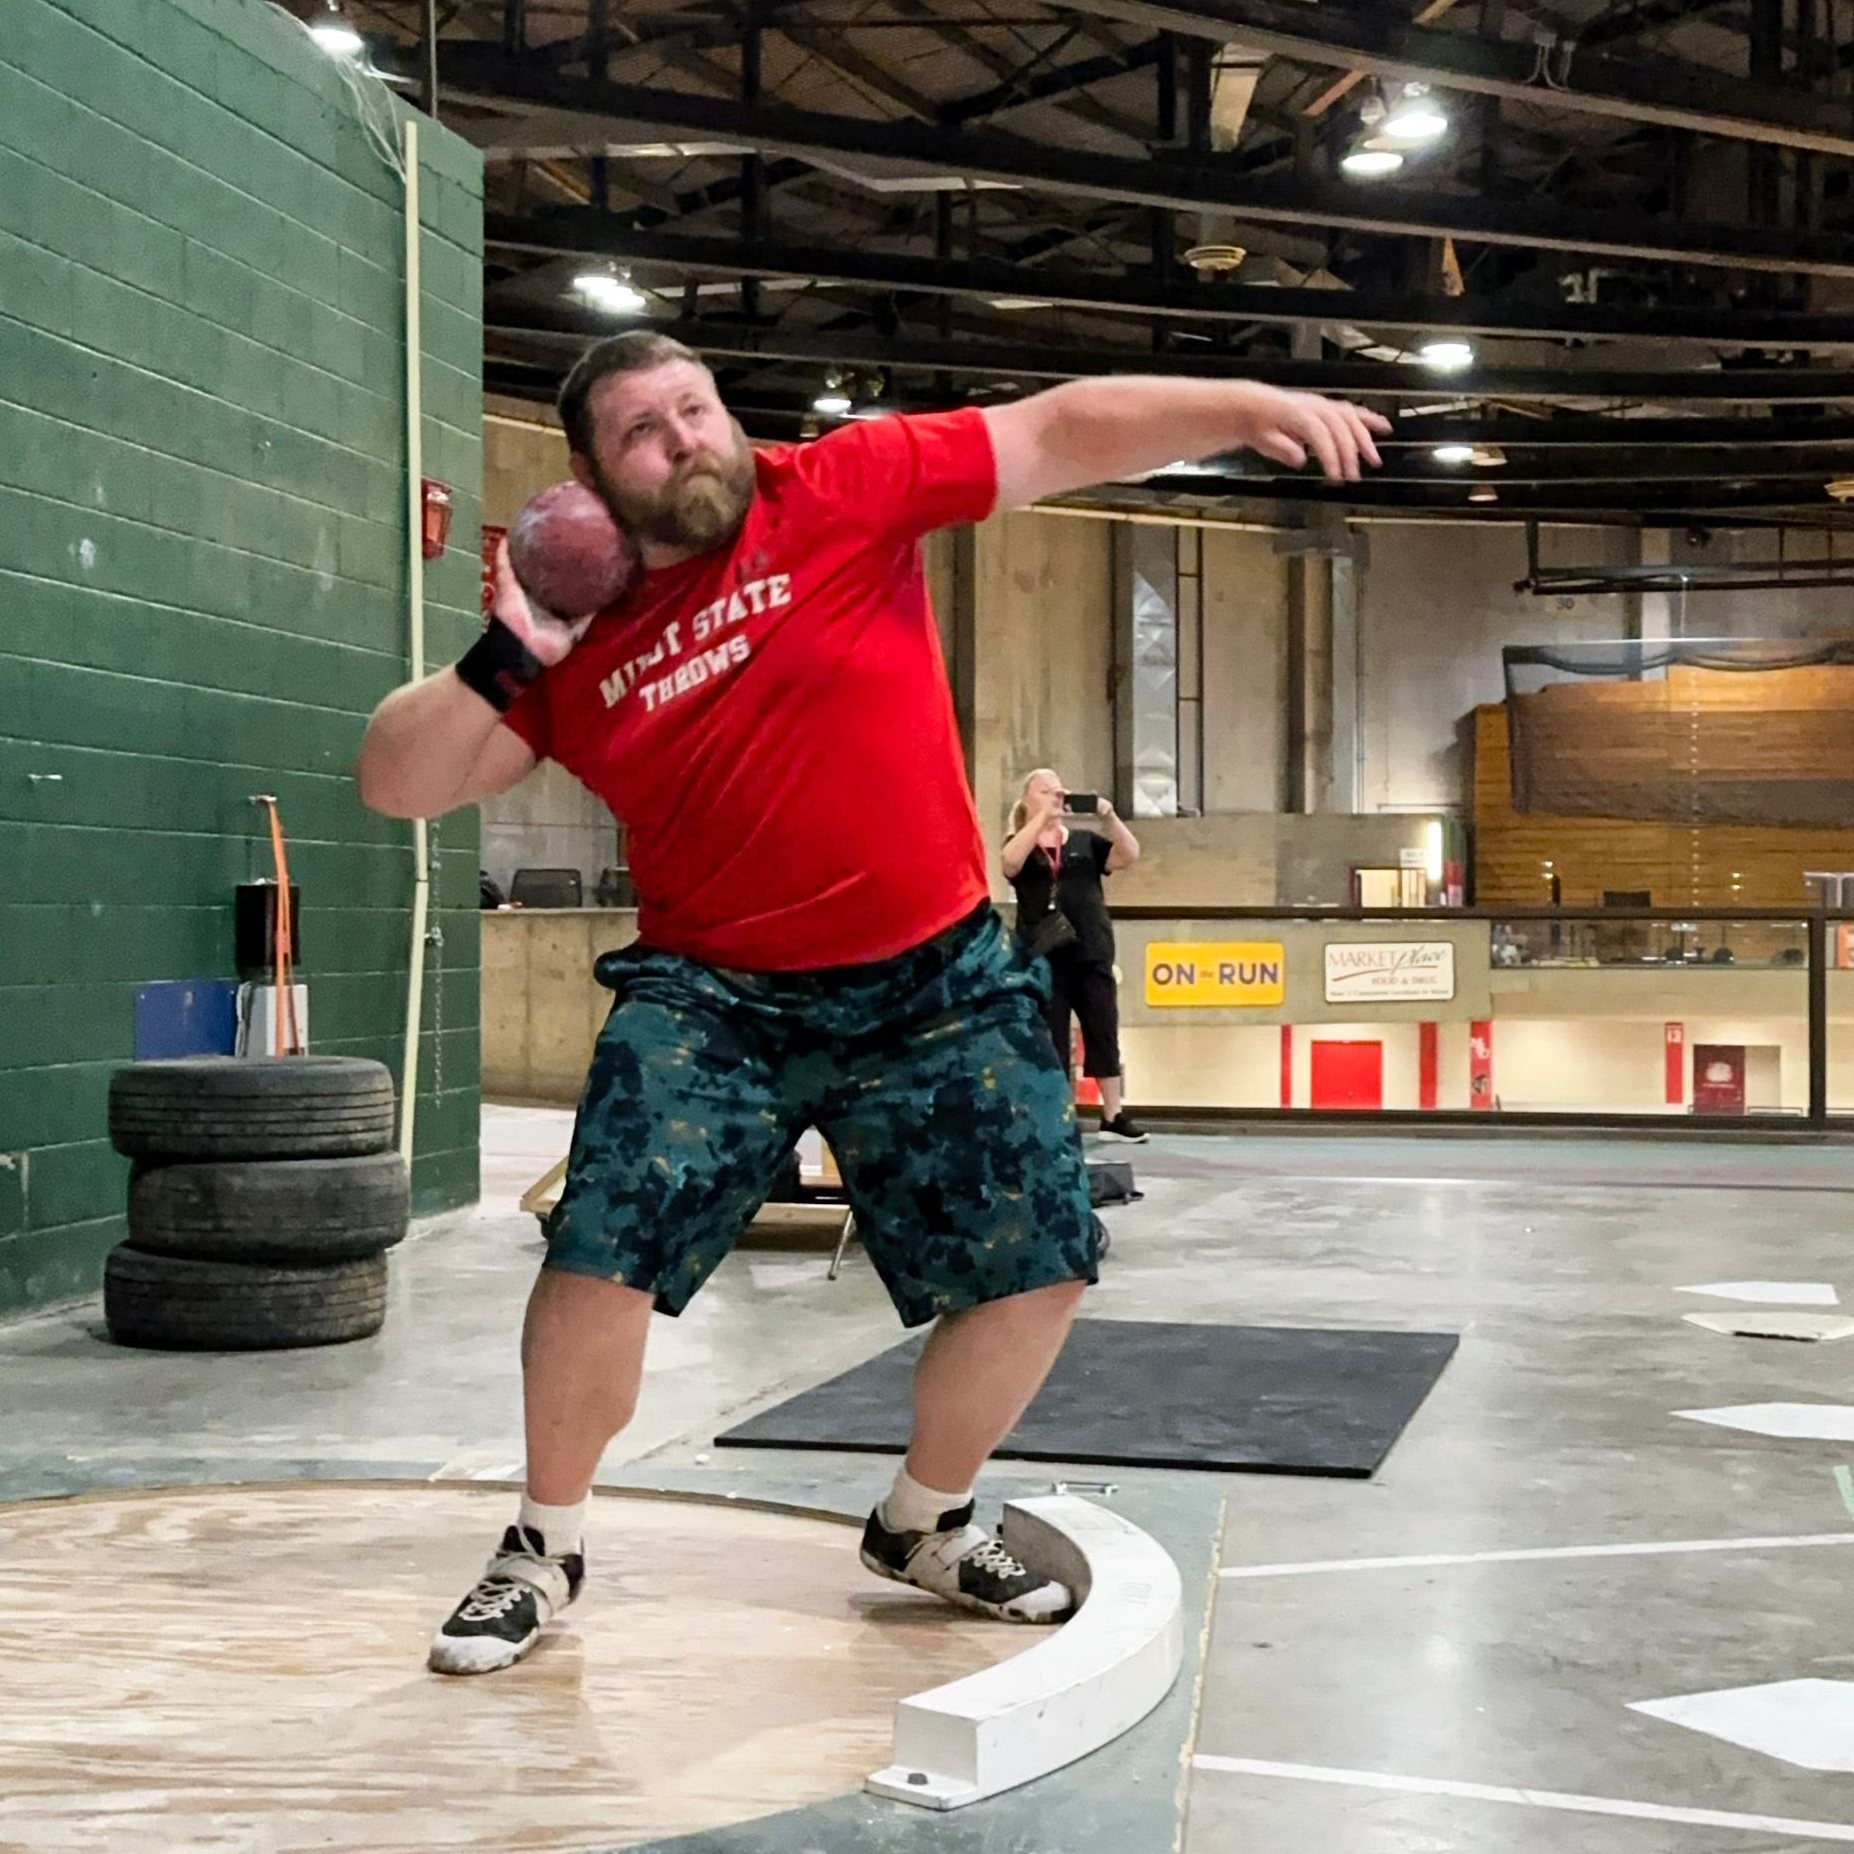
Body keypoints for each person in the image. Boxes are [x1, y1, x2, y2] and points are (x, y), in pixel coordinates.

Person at [354, 330, 1385, 1675]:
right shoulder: (576, 635)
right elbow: (398, 780)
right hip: (713, 996)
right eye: (646, 432)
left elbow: (1064, 428)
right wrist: (518, 642)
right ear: (592, 474)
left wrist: (1247, 401)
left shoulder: (839, 487)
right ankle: (545, 1544)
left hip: (936, 975)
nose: (689, 439)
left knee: (1042, 1259)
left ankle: (924, 1522)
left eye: (698, 407)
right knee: (598, 1251)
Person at [1003, 770, 1146, 1143]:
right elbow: (1009, 864)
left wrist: (1108, 816)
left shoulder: (1082, 842)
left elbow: (1128, 854)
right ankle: (1055, 1112)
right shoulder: (1024, 841)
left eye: (1059, 789)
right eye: (1045, 790)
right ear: (1028, 798)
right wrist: (1040, 821)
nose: (1056, 794)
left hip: (1090, 948)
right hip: (1045, 953)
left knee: (1102, 1026)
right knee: (1050, 1034)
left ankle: (1113, 1113)